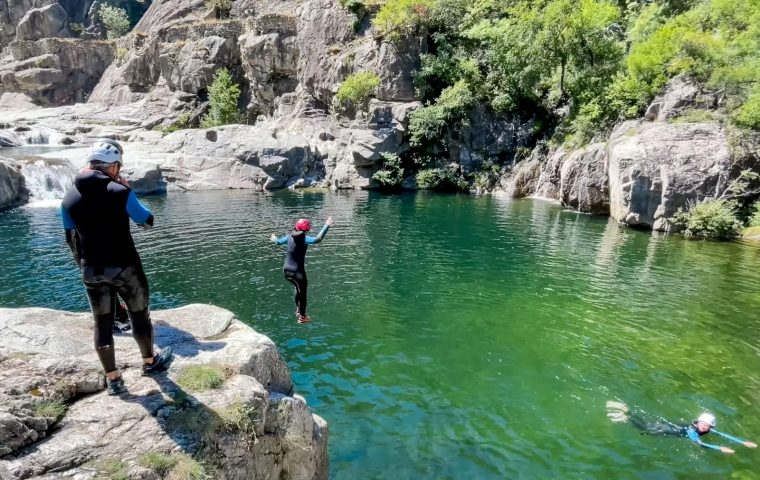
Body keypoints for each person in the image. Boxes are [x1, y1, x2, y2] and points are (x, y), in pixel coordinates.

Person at [61, 138, 172, 396]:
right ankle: (149, 363)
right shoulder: (120, 191)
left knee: (102, 324)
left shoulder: (67, 198)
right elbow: (147, 221)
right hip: (125, 267)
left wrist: (85, 267)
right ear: (112, 167)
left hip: (91, 270)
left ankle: (114, 380)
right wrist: (127, 190)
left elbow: (71, 240)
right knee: (139, 315)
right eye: (118, 167)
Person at [607, 401, 757, 454]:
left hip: (675, 426)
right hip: (672, 430)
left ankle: (627, 412)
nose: (705, 428)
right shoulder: (693, 432)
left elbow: (725, 436)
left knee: (647, 425)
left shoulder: (708, 429)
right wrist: (719, 448)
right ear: (698, 423)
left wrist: (743, 442)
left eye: (707, 426)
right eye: (703, 425)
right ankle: (626, 415)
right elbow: (701, 444)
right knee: (645, 429)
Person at [270, 216, 334, 324]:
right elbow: (318, 239)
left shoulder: (288, 237)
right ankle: (302, 317)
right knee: (303, 292)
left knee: (296, 286)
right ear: (306, 230)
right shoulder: (304, 239)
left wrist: (274, 238)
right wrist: (327, 225)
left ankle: (298, 310)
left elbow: (278, 242)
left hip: (286, 271)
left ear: (295, 228)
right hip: (298, 272)